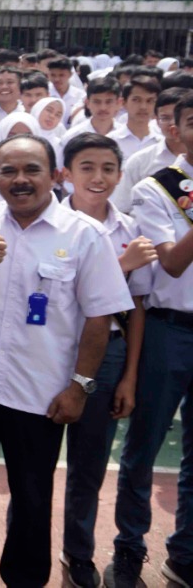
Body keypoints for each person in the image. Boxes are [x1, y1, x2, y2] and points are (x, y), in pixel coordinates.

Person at [0, 134, 131, 588]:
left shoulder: (83, 236)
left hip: (41, 390)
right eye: (9, 171)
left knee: (32, 492)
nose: (20, 180)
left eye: (32, 170)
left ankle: (25, 576)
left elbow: (100, 317)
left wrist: (79, 386)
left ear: (54, 176)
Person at [57, 133, 157, 588]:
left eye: (108, 169)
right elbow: (63, 295)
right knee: (32, 458)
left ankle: (78, 552)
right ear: (67, 173)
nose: (98, 178)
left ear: (120, 175)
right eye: (87, 168)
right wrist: (122, 265)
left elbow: (133, 309)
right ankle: (25, 552)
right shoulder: (49, 221)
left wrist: (129, 376)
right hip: (50, 346)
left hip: (108, 351)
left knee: (90, 461)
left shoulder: (130, 230)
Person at [108, 93, 193, 588]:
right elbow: (174, 262)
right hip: (169, 328)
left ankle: (184, 552)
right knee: (145, 443)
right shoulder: (159, 188)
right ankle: (129, 546)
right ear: (176, 130)